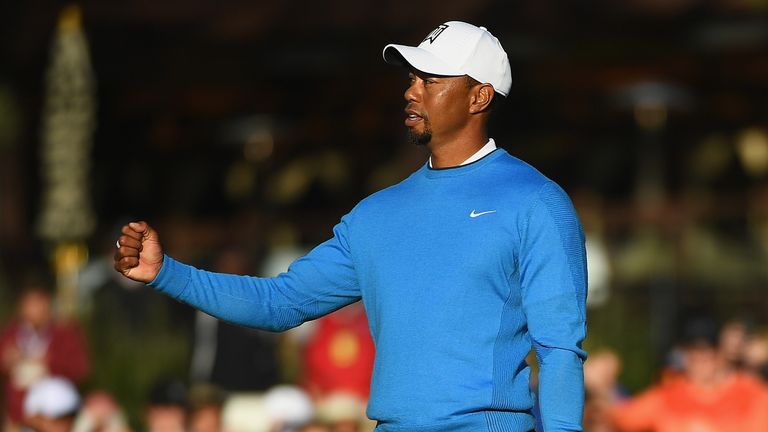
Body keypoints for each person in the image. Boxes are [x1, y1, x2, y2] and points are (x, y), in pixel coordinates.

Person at [114, 21, 588, 432]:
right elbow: (281, 302)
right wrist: (166, 273)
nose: (411, 89)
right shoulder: (377, 215)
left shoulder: (535, 202)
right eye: (412, 77)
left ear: (479, 96)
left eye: (431, 78)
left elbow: (560, 348)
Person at [610, 317, 768, 432]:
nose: (701, 360)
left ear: (720, 353)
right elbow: (620, 418)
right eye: (693, 354)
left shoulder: (752, 395)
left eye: (707, 353)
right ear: (684, 356)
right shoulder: (668, 394)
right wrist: (604, 389)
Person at [0, 280, 90, 431]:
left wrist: (50, 362)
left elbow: (81, 368)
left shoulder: (65, 332)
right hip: (18, 417)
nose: (34, 309)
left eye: (38, 303)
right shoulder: (10, 334)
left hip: (56, 418)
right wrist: (7, 360)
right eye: (29, 304)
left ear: (48, 303)